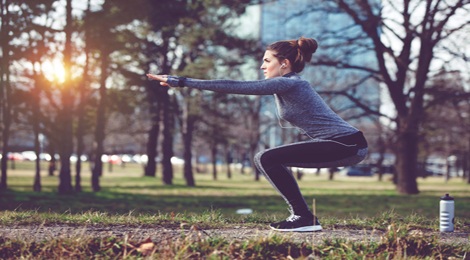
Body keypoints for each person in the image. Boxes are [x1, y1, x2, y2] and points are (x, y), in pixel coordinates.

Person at [147, 37, 368, 232]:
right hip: (343, 144)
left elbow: (234, 85)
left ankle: (303, 217)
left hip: (347, 144)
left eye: (267, 61)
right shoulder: (286, 86)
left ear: (284, 63)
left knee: (266, 158)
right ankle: (303, 217)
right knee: (265, 159)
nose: (262, 66)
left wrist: (182, 81)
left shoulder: (290, 83)